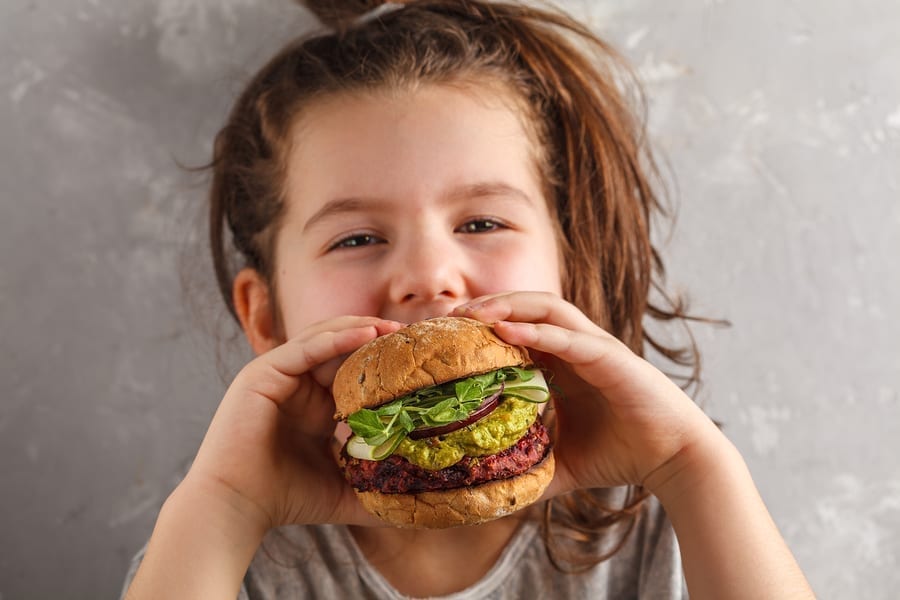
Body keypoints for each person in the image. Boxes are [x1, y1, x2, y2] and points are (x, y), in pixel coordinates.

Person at [122, 1, 814, 598]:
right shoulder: (226, 545)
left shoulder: (660, 511)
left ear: (569, 270)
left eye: (482, 224)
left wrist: (690, 467)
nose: (429, 275)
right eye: (357, 237)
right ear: (266, 317)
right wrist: (228, 506)